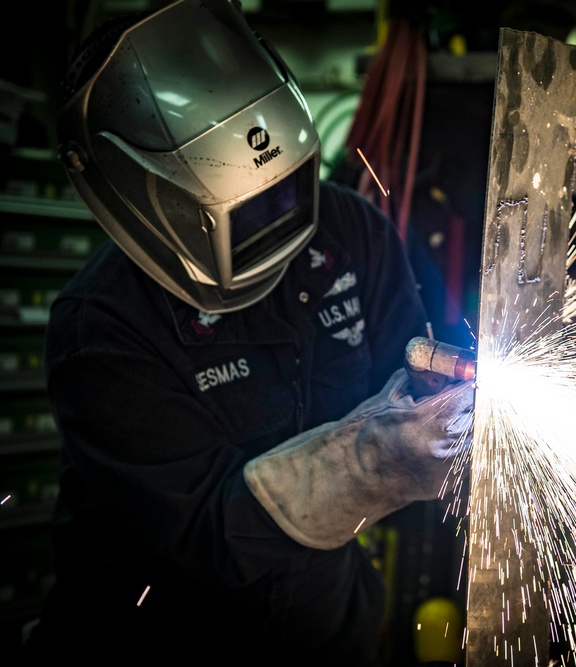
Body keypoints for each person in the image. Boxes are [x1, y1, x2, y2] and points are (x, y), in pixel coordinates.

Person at [21, 0, 474, 662]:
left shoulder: (352, 232)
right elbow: (212, 532)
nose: (283, 218)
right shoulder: (102, 329)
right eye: (250, 209)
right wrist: (372, 461)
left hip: (325, 633)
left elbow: (413, 368)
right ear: (154, 200)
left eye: (291, 186)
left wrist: (440, 401)